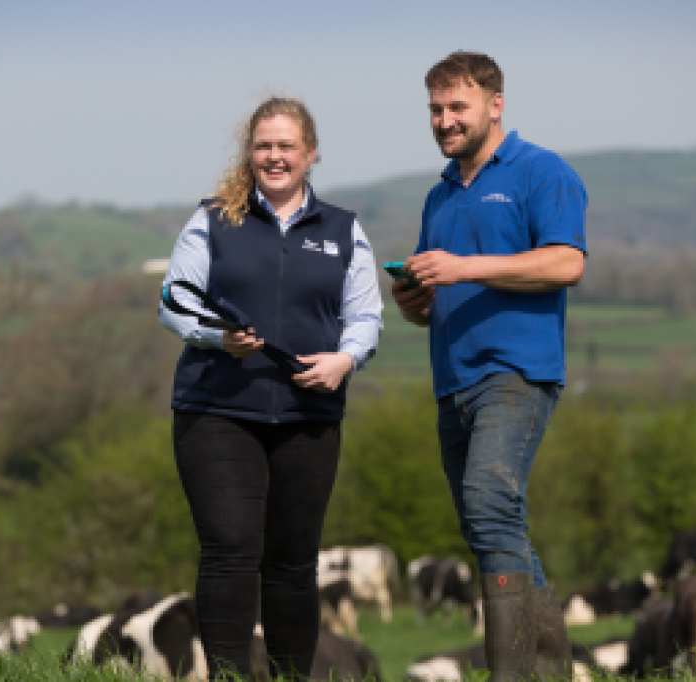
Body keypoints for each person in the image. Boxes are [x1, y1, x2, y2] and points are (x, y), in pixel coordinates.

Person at [158, 96, 382, 679]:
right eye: (264, 146)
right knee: (230, 552)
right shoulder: (213, 218)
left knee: (292, 564)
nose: (274, 157)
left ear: (309, 153)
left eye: (286, 146)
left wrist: (345, 360)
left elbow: (365, 317)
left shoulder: (342, 230)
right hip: (217, 411)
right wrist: (215, 337)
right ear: (250, 153)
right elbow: (174, 299)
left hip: (310, 415)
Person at [393, 52, 587, 680]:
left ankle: (511, 675)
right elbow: (432, 304)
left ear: (495, 104)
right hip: (453, 378)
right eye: (436, 109)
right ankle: (551, 671)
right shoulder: (439, 194)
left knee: (488, 501)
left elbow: (566, 263)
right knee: (492, 522)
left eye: (458, 107)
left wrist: (464, 267)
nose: (445, 121)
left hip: (516, 371)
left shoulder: (541, 172)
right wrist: (414, 300)